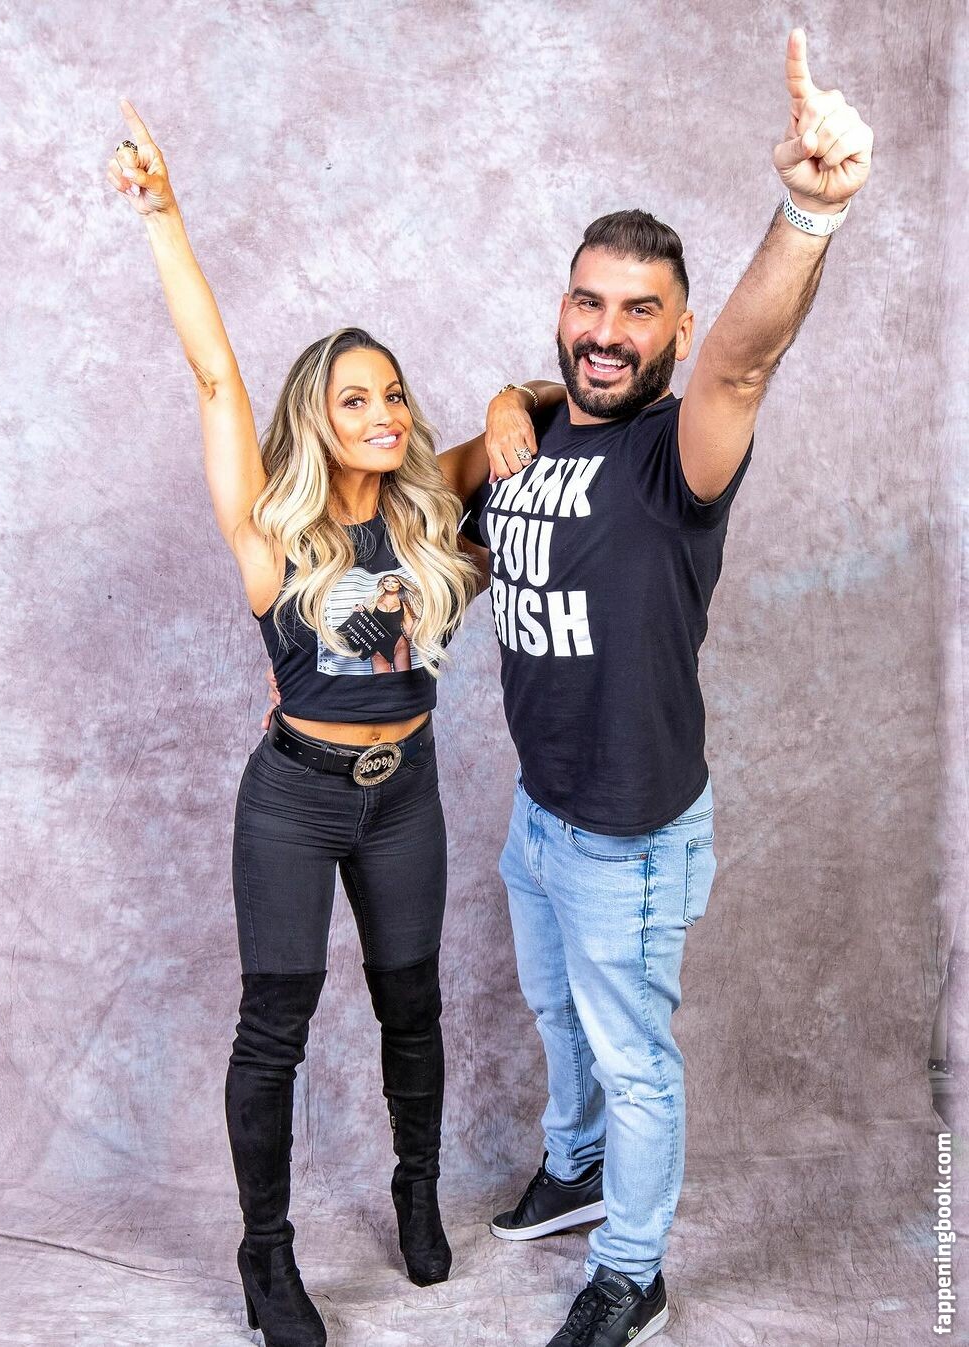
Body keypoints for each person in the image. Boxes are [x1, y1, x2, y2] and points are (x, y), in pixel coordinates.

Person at [104, 102, 558, 1347]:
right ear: (317, 415)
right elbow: (215, 374)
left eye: (394, 393)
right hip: (296, 798)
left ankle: (417, 1191)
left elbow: (549, 403)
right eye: (356, 398)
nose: (384, 411)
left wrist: (509, 395)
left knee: (414, 1005)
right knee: (277, 1027)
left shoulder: (430, 501)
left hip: (405, 793)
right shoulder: (272, 531)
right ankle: (267, 1256)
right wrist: (165, 216)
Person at [457, 28, 874, 1347]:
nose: (607, 330)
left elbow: (747, 360)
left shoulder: (677, 455)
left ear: (676, 332)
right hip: (541, 810)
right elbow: (444, 514)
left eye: (641, 311)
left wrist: (808, 212)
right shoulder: (531, 432)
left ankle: (633, 1271)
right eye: (591, 301)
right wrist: (507, 396)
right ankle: (576, 1167)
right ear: (562, 307)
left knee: (634, 1055)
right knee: (556, 1015)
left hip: (628, 833)